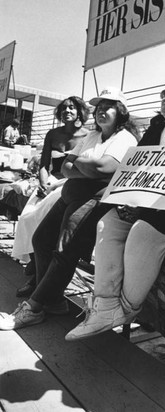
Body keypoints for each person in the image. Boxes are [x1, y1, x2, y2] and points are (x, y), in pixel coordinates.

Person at [64, 78, 165, 341]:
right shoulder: (156, 128)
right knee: (108, 220)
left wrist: (147, 207)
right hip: (148, 203)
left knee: (141, 232)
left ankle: (126, 309)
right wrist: (131, 202)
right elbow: (133, 170)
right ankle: (105, 305)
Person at [0, 87, 140, 330]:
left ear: (121, 112)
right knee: (42, 239)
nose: (101, 112)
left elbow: (105, 168)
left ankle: (34, 307)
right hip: (70, 194)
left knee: (65, 250)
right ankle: (53, 299)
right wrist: (85, 167)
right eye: (99, 107)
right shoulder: (92, 136)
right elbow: (65, 167)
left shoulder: (125, 139)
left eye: (108, 107)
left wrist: (79, 165)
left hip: (93, 200)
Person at [12, 96, 90, 296]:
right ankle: (36, 267)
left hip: (69, 184)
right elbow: (44, 165)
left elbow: (82, 171)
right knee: (27, 217)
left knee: (40, 220)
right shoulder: (53, 134)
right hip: (49, 184)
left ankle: (37, 279)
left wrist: (56, 185)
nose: (67, 111)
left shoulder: (89, 136)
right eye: (64, 108)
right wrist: (43, 183)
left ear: (81, 112)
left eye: (72, 107)